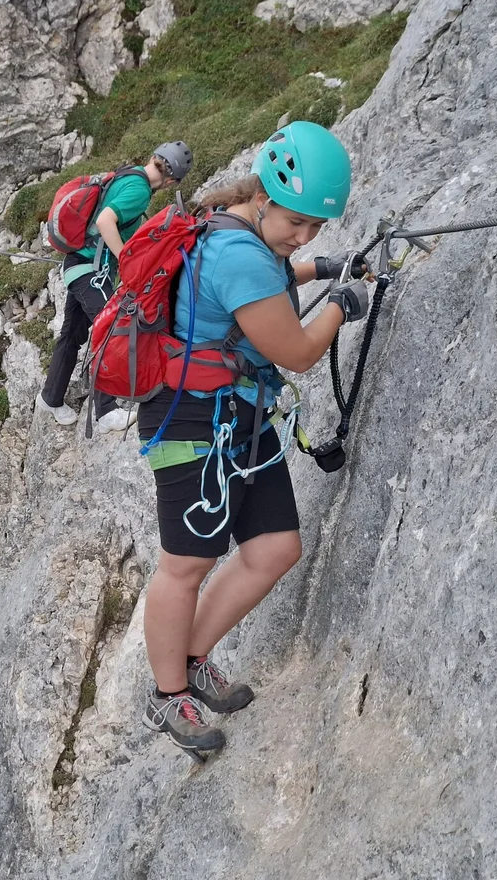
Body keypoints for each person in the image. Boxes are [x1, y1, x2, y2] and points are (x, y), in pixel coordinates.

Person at [136, 121, 372, 757]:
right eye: (298, 221)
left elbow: (269, 279)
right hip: (192, 422)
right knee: (186, 565)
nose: (305, 235)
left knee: (274, 549)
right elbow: (297, 351)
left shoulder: (242, 227)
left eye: (316, 227)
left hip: (239, 412)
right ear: (265, 196)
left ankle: (191, 660)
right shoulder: (237, 253)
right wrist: (341, 303)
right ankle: (166, 696)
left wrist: (320, 268)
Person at [37, 142, 191, 432]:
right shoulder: (140, 190)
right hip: (90, 270)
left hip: (78, 264)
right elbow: (105, 220)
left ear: (153, 157)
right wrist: (126, 260)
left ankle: (51, 398)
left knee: (72, 334)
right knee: (112, 326)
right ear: (172, 182)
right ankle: (106, 411)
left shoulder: (129, 174)